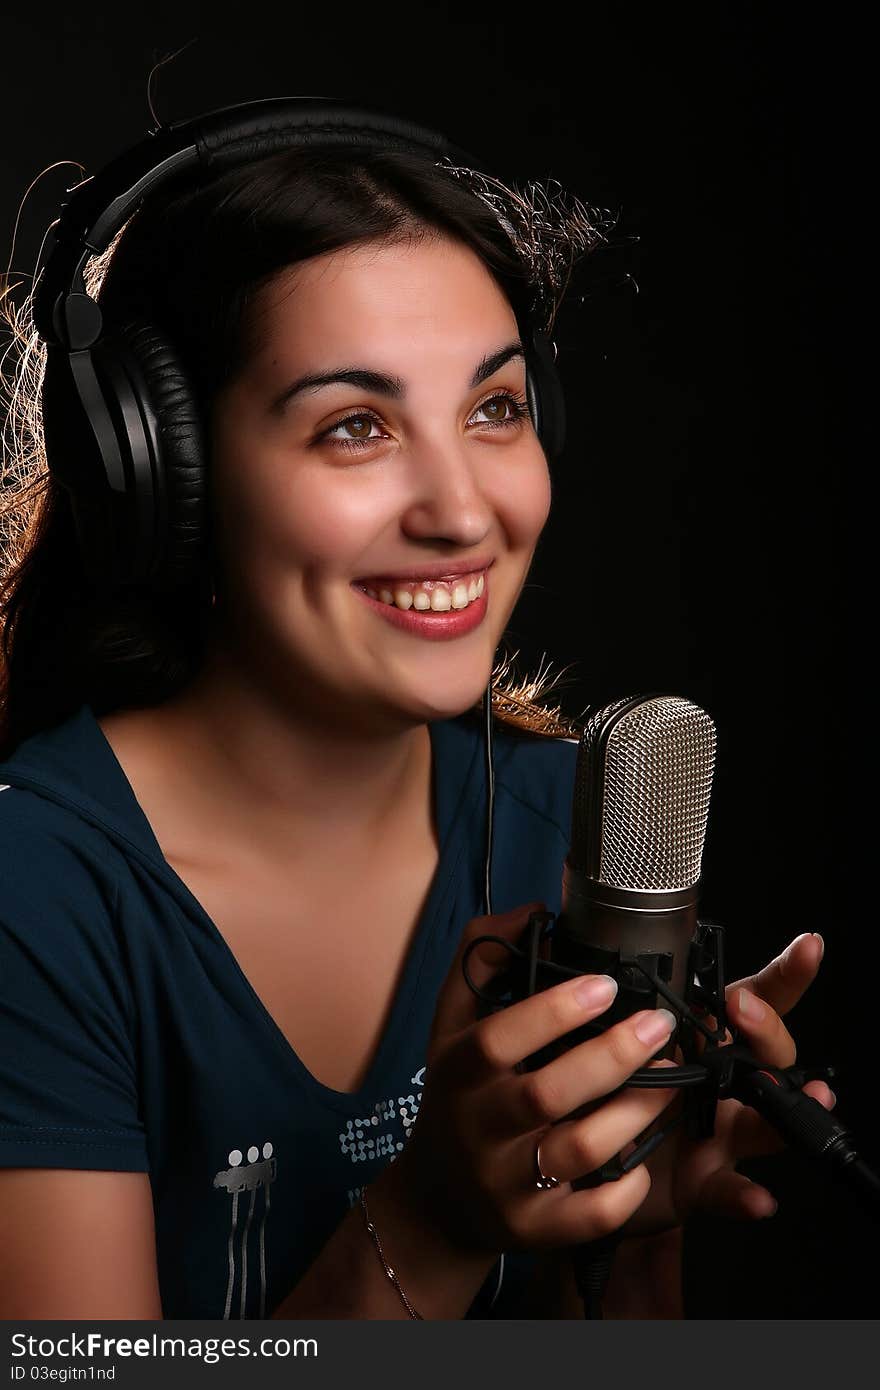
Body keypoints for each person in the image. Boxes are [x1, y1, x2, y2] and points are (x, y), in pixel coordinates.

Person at [0, 100, 831, 1320]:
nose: (461, 509)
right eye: (355, 427)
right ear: (166, 482)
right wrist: (430, 1220)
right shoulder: (36, 890)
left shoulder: (567, 820)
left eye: (492, 408)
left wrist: (624, 1235)